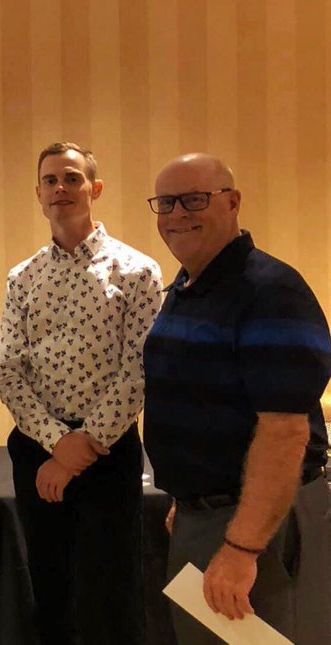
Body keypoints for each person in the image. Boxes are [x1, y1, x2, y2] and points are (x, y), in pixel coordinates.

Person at [143, 153, 331, 644]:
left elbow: (286, 431)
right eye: (166, 203)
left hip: (254, 526)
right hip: (207, 516)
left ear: (233, 202)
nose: (178, 214)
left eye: (194, 199)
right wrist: (190, 499)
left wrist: (242, 546)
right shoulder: (186, 287)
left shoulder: (270, 291)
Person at [0, 142, 162, 644]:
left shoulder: (137, 271)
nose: (60, 188)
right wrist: (53, 442)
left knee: (111, 594)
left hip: (107, 454)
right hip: (36, 453)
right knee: (51, 590)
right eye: (50, 180)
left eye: (71, 178)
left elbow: (139, 370)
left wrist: (78, 450)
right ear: (38, 193)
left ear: (96, 188)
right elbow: (7, 369)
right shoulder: (23, 277)